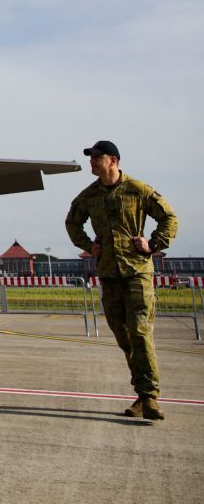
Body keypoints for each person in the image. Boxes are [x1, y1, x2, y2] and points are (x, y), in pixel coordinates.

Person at [65, 140, 178, 420]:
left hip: (137, 272)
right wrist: (90, 246)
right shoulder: (89, 195)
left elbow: (169, 218)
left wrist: (153, 244)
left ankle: (150, 397)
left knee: (140, 332)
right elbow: (72, 222)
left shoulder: (137, 189)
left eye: (97, 157)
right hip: (109, 274)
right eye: (91, 157)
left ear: (112, 160)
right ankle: (141, 393)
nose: (92, 162)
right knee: (124, 337)